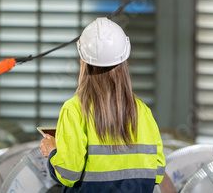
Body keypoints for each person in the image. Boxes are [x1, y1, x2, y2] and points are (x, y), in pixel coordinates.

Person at [40, 17, 166, 192]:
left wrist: (53, 151)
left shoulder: (75, 109)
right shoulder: (141, 111)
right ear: (124, 61)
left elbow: (68, 174)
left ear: (82, 60)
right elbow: (158, 172)